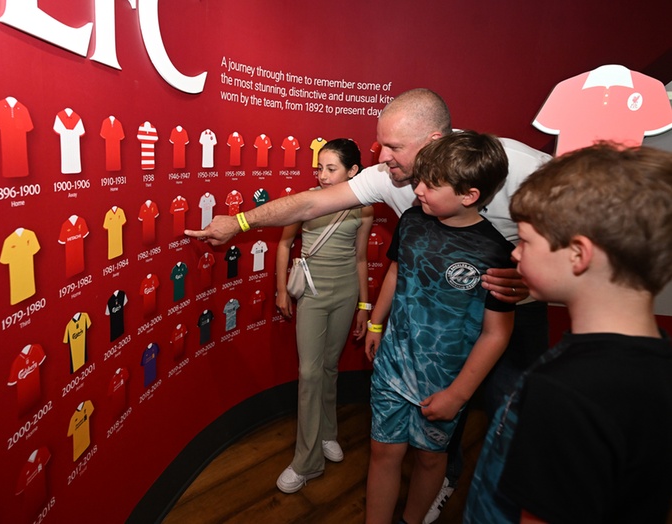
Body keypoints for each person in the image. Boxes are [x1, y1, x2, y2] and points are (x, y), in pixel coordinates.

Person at [186, 88, 551, 521]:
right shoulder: (393, 182)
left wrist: (531, 279)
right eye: (380, 144)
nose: (383, 155)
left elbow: (590, 245)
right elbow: (310, 202)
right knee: (417, 430)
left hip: (509, 304)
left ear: (434, 142)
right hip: (421, 327)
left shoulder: (521, 169)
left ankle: (458, 490)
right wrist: (241, 221)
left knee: (504, 413)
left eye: (394, 146)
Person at [464, 143, 672, 523]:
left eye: (525, 240)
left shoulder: (564, 391)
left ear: (579, 254)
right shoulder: (656, 360)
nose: (514, 253)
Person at [362, 130, 516, 524]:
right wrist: (377, 324)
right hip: (393, 366)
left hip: (444, 382)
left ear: (470, 195)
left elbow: (496, 333)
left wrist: (457, 394)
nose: (419, 190)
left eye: (432, 184)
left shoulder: (494, 251)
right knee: (384, 452)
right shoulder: (412, 221)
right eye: (420, 179)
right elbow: (397, 271)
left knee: (431, 462)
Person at [273, 139, 374, 493]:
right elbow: (285, 243)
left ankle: (328, 432)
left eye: (331, 169)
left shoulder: (363, 208)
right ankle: (306, 461)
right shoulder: (306, 201)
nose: (322, 175)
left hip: (346, 293)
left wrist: (365, 306)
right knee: (309, 373)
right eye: (320, 168)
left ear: (353, 172)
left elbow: (361, 259)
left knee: (330, 366)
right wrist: (281, 289)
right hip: (312, 295)